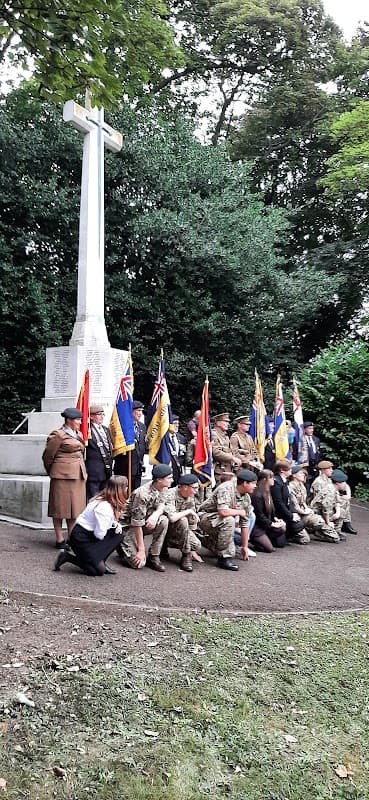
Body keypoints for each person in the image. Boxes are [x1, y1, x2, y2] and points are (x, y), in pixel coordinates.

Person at [54, 476, 127, 575]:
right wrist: (110, 530)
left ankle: (99, 561)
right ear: (119, 490)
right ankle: (67, 557)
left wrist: (113, 524)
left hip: (83, 534)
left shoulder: (101, 499)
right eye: (125, 487)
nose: (127, 489)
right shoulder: (104, 507)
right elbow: (99, 535)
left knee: (119, 534)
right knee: (97, 571)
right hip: (81, 539)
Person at [42, 407, 87, 549]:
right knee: (59, 509)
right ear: (69, 420)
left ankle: (71, 538)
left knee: (74, 510)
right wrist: (54, 471)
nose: (80, 422)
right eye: (78, 420)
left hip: (77, 475)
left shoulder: (78, 433)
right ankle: (59, 539)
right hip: (62, 477)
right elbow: (48, 456)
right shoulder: (58, 434)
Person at [117, 463, 172, 572]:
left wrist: (156, 515)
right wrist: (141, 550)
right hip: (128, 527)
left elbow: (162, 504)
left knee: (163, 520)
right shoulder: (142, 494)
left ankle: (154, 556)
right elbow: (136, 523)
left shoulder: (163, 488)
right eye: (169, 478)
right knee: (138, 564)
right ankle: (120, 544)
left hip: (143, 523)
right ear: (159, 480)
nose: (172, 480)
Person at [198, 469, 257, 570]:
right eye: (253, 483)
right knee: (229, 520)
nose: (255, 486)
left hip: (219, 521)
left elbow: (245, 523)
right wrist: (240, 512)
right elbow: (223, 511)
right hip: (204, 517)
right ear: (245, 483)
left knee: (231, 548)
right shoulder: (226, 488)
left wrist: (245, 547)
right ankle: (224, 559)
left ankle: (203, 539)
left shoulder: (246, 498)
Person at [289, 465, 340, 543]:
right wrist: (305, 512)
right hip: (296, 515)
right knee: (305, 539)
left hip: (304, 512)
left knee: (334, 537)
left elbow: (303, 501)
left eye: (303, 473)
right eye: (301, 473)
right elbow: (295, 506)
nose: (303, 475)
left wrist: (307, 509)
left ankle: (315, 530)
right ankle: (292, 534)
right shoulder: (290, 487)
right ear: (294, 475)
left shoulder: (302, 485)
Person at [163, 473, 203, 571]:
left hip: (181, 529)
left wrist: (192, 549)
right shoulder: (170, 494)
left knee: (196, 545)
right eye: (194, 488)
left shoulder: (190, 496)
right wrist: (188, 511)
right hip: (165, 528)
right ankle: (185, 555)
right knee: (182, 519)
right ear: (185, 487)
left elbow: (192, 522)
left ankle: (186, 549)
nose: (196, 491)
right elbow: (172, 518)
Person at [271, 460, 310, 544]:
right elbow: (278, 503)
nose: (291, 471)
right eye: (289, 469)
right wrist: (290, 516)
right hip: (279, 514)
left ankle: (287, 536)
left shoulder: (285, 481)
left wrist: (293, 512)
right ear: (282, 470)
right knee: (280, 543)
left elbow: (289, 500)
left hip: (286, 511)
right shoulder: (276, 482)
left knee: (299, 525)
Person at [250, 469, 287, 552]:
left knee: (281, 537)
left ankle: (267, 538)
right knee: (269, 549)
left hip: (266, 524)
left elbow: (271, 511)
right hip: (257, 526)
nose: (273, 479)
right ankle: (256, 540)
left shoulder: (268, 491)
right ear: (264, 479)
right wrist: (272, 524)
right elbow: (259, 516)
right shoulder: (257, 495)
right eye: (271, 477)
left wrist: (276, 520)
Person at [114, 400, 146, 491]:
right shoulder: (122, 426)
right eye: (138, 411)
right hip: (125, 468)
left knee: (135, 493)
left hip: (138, 468)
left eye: (141, 411)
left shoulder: (142, 426)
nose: (140, 413)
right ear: (131, 411)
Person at [310, 460, 345, 540]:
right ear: (323, 470)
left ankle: (336, 531)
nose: (332, 470)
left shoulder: (329, 480)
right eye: (329, 468)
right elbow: (322, 503)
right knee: (334, 538)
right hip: (319, 510)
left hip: (328, 506)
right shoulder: (318, 482)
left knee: (341, 510)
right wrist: (328, 520)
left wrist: (337, 512)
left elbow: (336, 497)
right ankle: (320, 531)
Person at [85, 404, 113, 501]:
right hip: (94, 472)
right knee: (93, 499)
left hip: (106, 471)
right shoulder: (88, 430)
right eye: (98, 414)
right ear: (91, 417)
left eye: (102, 414)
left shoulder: (105, 429)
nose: (101, 416)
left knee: (104, 499)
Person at [212, 412, 242, 484]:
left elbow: (230, 450)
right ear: (218, 423)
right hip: (219, 470)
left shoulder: (225, 436)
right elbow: (215, 452)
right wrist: (232, 458)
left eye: (228, 422)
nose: (228, 424)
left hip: (228, 469)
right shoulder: (213, 434)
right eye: (225, 421)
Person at [295, 421, 321, 489]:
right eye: (309, 428)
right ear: (304, 429)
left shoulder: (316, 439)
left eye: (312, 428)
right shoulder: (300, 441)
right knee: (306, 482)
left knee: (315, 481)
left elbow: (318, 452)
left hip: (315, 465)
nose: (312, 430)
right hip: (306, 464)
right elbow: (296, 452)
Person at [331, 469, 357, 535]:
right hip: (331, 505)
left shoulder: (344, 485)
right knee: (343, 504)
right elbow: (335, 499)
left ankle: (346, 523)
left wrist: (341, 497)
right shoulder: (330, 486)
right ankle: (344, 524)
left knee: (346, 502)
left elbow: (348, 496)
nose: (344, 483)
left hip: (337, 501)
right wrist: (341, 498)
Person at [168, 415, 187, 486]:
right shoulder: (163, 438)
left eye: (178, 423)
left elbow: (183, 455)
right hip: (167, 471)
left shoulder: (181, 438)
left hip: (178, 472)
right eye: (175, 423)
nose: (177, 425)